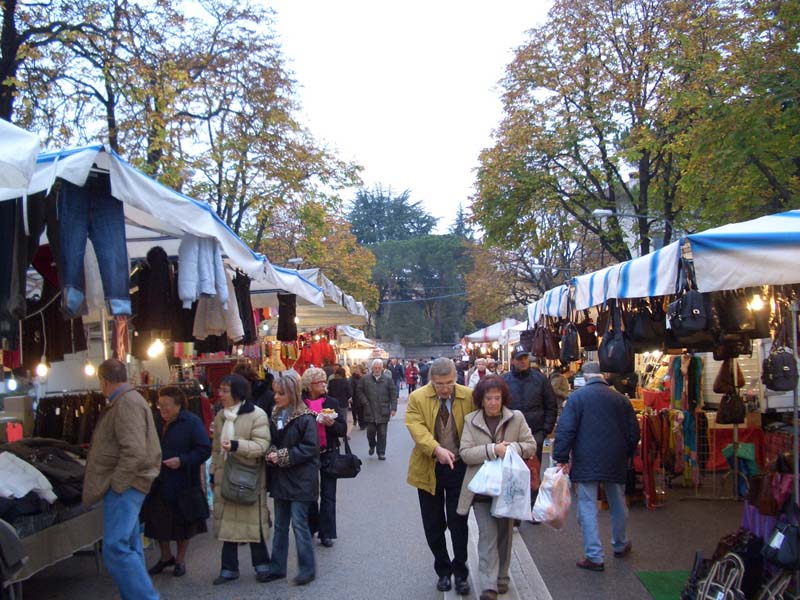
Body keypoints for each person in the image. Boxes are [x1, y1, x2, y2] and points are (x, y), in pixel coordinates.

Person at [82, 359, 161, 600]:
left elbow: (134, 450)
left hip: (127, 485)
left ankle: (146, 597)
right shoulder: (129, 400)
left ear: (103, 381)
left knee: (115, 547)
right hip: (129, 483)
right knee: (128, 544)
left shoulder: (126, 403)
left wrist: (118, 484)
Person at [553, 362, 640, 572]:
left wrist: (561, 457)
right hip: (615, 457)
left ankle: (594, 555)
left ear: (584, 377)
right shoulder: (621, 399)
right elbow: (634, 432)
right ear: (603, 376)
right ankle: (620, 543)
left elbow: (566, 429)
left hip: (586, 457)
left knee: (587, 505)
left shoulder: (576, 398)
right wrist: (626, 452)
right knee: (617, 501)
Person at [458, 376, 537, 600]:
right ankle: (489, 585)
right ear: (481, 400)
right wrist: (493, 450)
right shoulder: (471, 420)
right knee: (487, 536)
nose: (493, 402)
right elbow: (465, 453)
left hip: (508, 488)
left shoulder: (516, 418)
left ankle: (502, 577)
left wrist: (511, 449)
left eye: (497, 398)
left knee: (505, 536)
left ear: (503, 399)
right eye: (488, 398)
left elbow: (530, 446)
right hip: (482, 490)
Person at [406, 358, 473, 596]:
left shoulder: (469, 396)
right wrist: (436, 449)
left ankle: (461, 572)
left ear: (456, 378)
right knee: (433, 524)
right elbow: (416, 428)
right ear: (431, 381)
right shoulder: (417, 398)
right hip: (429, 466)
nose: (445, 389)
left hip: (459, 467)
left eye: (449, 383)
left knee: (458, 522)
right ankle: (443, 570)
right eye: (439, 384)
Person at [210, 373, 272, 585]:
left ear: (237, 392)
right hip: (225, 476)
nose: (220, 395)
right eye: (220, 390)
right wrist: (213, 473)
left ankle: (262, 565)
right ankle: (228, 568)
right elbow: (216, 449)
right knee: (228, 524)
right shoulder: (220, 417)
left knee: (252, 522)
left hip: (248, 477)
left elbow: (262, 446)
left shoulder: (257, 415)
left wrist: (236, 445)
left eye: (225, 391)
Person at [144, 386, 212, 578]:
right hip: (158, 481)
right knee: (157, 522)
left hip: (182, 481)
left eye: (166, 405)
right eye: (160, 405)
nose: (162, 409)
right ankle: (165, 556)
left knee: (182, 524)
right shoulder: (155, 421)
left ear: (179, 405)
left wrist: (182, 460)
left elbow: (203, 449)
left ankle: (180, 560)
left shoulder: (191, 422)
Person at [263, 371, 319, 586]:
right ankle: (277, 567)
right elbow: (271, 440)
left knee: (299, 524)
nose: (276, 397)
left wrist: (282, 455)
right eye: (275, 392)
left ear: (292, 394)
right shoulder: (276, 415)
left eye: (280, 393)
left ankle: (307, 569)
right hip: (282, 478)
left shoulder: (306, 417)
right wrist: (271, 452)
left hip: (301, 480)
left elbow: (310, 448)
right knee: (280, 525)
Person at [300, 367, 347, 548]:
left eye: (323, 381)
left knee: (328, 495)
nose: (323, 385)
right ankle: (311, 526)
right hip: (308, 455)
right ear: (309, 385)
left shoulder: (331, 402)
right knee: (310, 494)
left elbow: (342, 429)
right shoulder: (300, 404)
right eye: (319, 382)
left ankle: (326, 533)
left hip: (329, 452)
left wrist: (332, 424)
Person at [503, 345, 557, 466]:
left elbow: (551, 405)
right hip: (511, 435)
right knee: (512, 469)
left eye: (525, 358)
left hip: (536, 433)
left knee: (534, 469)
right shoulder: (504, 380)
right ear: (513, 361)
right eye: (519, 359)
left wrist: (545, 430)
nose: (523, 361)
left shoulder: (540, 379)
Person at [356, 359, 398, 460]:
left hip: (383, 410)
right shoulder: (365, 379)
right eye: (375, 368)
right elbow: (359, 391)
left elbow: (393, 394)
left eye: (379, 368)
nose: (377, 370)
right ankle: (372, 445)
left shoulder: (388, 379)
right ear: (372, 368)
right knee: (370, 432)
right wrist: (365, 402)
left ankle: (381, 452)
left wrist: (393, 408)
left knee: (382, 433)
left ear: (382, 369)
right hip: (369, 410)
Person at [350, 363, 366, 430]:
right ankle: (361, 424)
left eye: (358, 369)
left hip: (365, 396)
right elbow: (351, 388)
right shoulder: (353, 378)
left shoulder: (365, 377)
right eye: (356, 369)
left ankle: (365, 423)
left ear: (361, 370)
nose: (356, 370)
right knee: (359, 411)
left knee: (365, 410)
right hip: (357, 397)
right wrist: (351, 396)